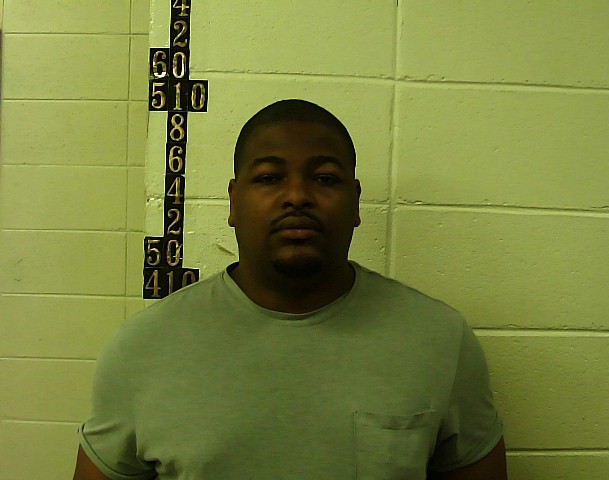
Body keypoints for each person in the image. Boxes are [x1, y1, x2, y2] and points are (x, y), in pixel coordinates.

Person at [73, 99, 507, 479]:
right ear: (233, 201)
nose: (297, 195)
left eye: (325, 178)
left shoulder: (439, 340)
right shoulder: (143, 348)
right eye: (269, 178)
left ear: (356, 202)